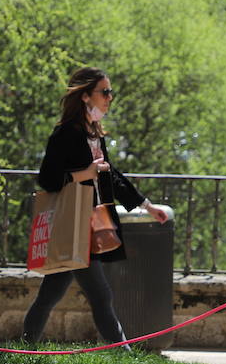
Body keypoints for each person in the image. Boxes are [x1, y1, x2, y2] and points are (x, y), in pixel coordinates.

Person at [23, 67, 168, 344]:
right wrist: (84, 174)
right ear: (86, 96)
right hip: (73, 224)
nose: (110, 97)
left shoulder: (94, 133)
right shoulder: (66, 133)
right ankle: (122, 355)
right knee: (101, 294)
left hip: (87, 224)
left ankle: (25, 347)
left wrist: (146, 206)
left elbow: (110, 176)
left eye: (110, 92)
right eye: (105, 92)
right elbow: (47, 178)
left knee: (51, 293)